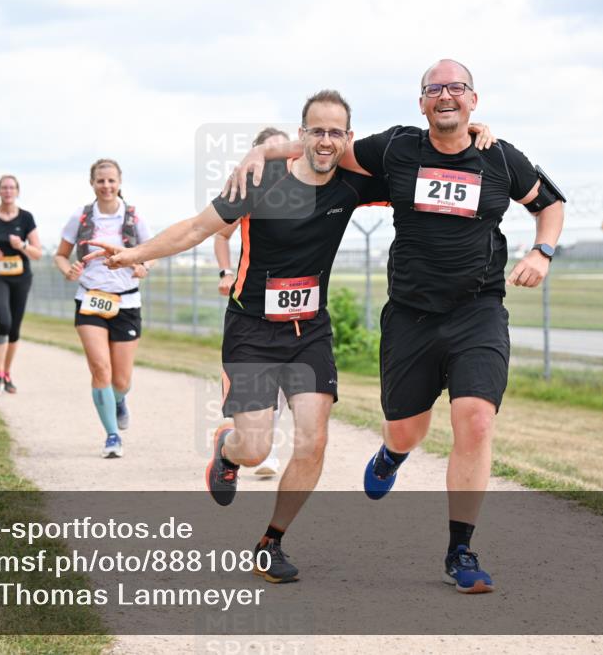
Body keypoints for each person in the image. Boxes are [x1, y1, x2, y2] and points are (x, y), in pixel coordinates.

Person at [228, 60, 563, 594]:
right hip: (410, 315)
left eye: (457, 88)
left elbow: (549, 205)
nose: (446, 95)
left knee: (475, 421)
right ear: (422, 102)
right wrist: (262, 151)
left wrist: (543, 251)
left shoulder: (501, 156)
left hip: (478, 310)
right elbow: (326, 148)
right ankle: (392, 454)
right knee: (407, 429)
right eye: (435, 89)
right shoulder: (397, 148)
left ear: (474, 100)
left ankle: (460, 551)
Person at [87, 91, 404, 582]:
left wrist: (469, 133)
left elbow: (419, 163)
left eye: (335, 132)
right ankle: (227, 451)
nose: (325, 140)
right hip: (252, 330)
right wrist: (134, 254)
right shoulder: (258, 180)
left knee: (313, 439)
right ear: (300, 136)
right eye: (316, 131)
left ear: (348, 138)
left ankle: (271, 542)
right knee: (255, 448)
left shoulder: (352, 185)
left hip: (309, 331)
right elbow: (196, 228)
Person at [55, 159, 153, 459]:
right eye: (101, 181)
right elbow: (60, 255)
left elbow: (152, 252)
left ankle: (118, 400)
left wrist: (143, 265)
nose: (106, 186)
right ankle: (112, 436)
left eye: (111, 180)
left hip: (126, 301)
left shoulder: (134, 217)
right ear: (92, 183)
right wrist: (67, 269)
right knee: (100, 369)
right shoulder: (81, 217)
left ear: (120, 182)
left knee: (121, 381)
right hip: (90, 299)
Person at [215, 127, 291, 477]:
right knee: (265, 383)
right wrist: (225, 273)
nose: (277, 156)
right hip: (254, 305)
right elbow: (221, 234)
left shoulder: (302, 187)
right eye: (269, 150)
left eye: (283, 149)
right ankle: (253, 446)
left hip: (295, 307)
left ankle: (269, 448)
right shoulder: (250, 187)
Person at [0, 174, 42, 395]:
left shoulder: (26, 218)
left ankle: (6, 373)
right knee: (3, 320)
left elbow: (37, 252)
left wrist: (21, 245)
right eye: (4, 188)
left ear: (17, 191)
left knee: (14, 327)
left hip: (21, 277)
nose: (8, 191)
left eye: (12, 188)